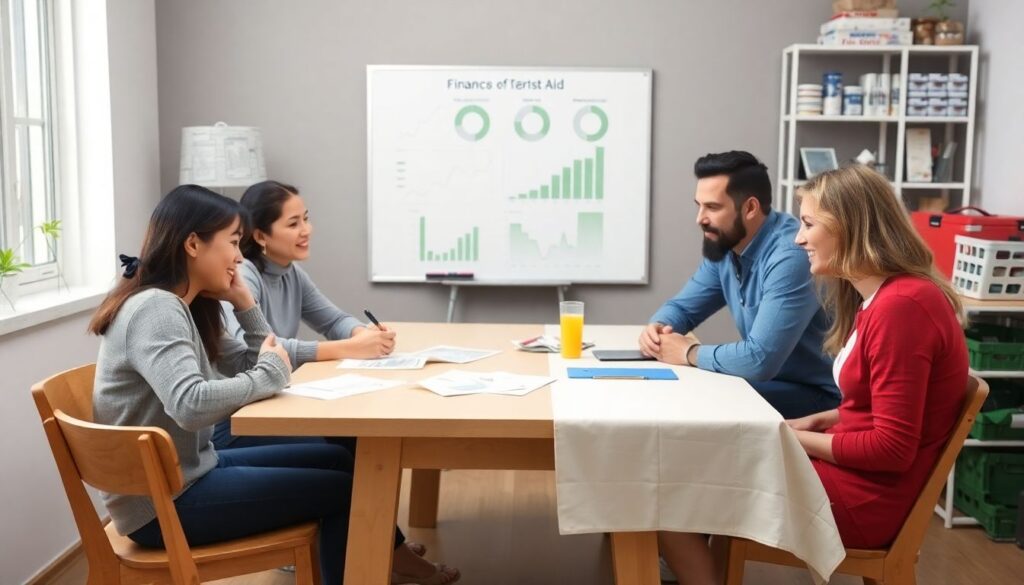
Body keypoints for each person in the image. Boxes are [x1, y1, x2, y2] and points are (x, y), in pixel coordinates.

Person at [658, 165, 969, 585]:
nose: (799, 237)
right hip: (856, 481)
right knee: (681, 476)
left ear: (850, 228)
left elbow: (892, 449)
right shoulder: (884, 298)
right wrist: (828, 419)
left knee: (665, 495)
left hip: (864, 500)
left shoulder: (901, 309)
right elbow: (892, 406)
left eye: (808, 224)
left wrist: (786, 436)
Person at [639, 150, 839, 419]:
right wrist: (658, 329)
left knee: (693, 402)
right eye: (698, 205)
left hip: (817, 397)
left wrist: (688, 351)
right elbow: (683, 309)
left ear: (750, 208)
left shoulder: (791, 255)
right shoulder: (726, 245)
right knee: (679, 391)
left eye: (712, 207)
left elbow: (760, 360)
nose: (700, 218)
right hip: (771, 383)